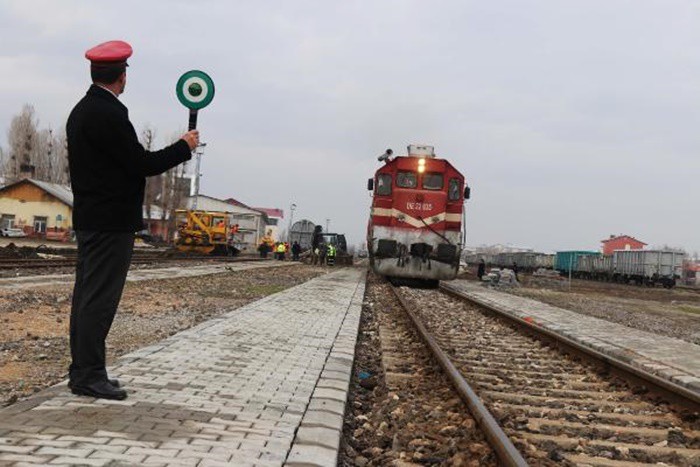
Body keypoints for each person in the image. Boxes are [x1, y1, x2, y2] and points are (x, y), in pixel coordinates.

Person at [67, 40, 199, 400]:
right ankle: (90, 375)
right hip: (111, 224)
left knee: (85, 298)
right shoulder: (110, 113)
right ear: (121, 75)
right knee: (99, 301)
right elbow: (141, 164)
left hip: (91, 220)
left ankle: (82, 372)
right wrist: (183, 147)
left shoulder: (81, 111)